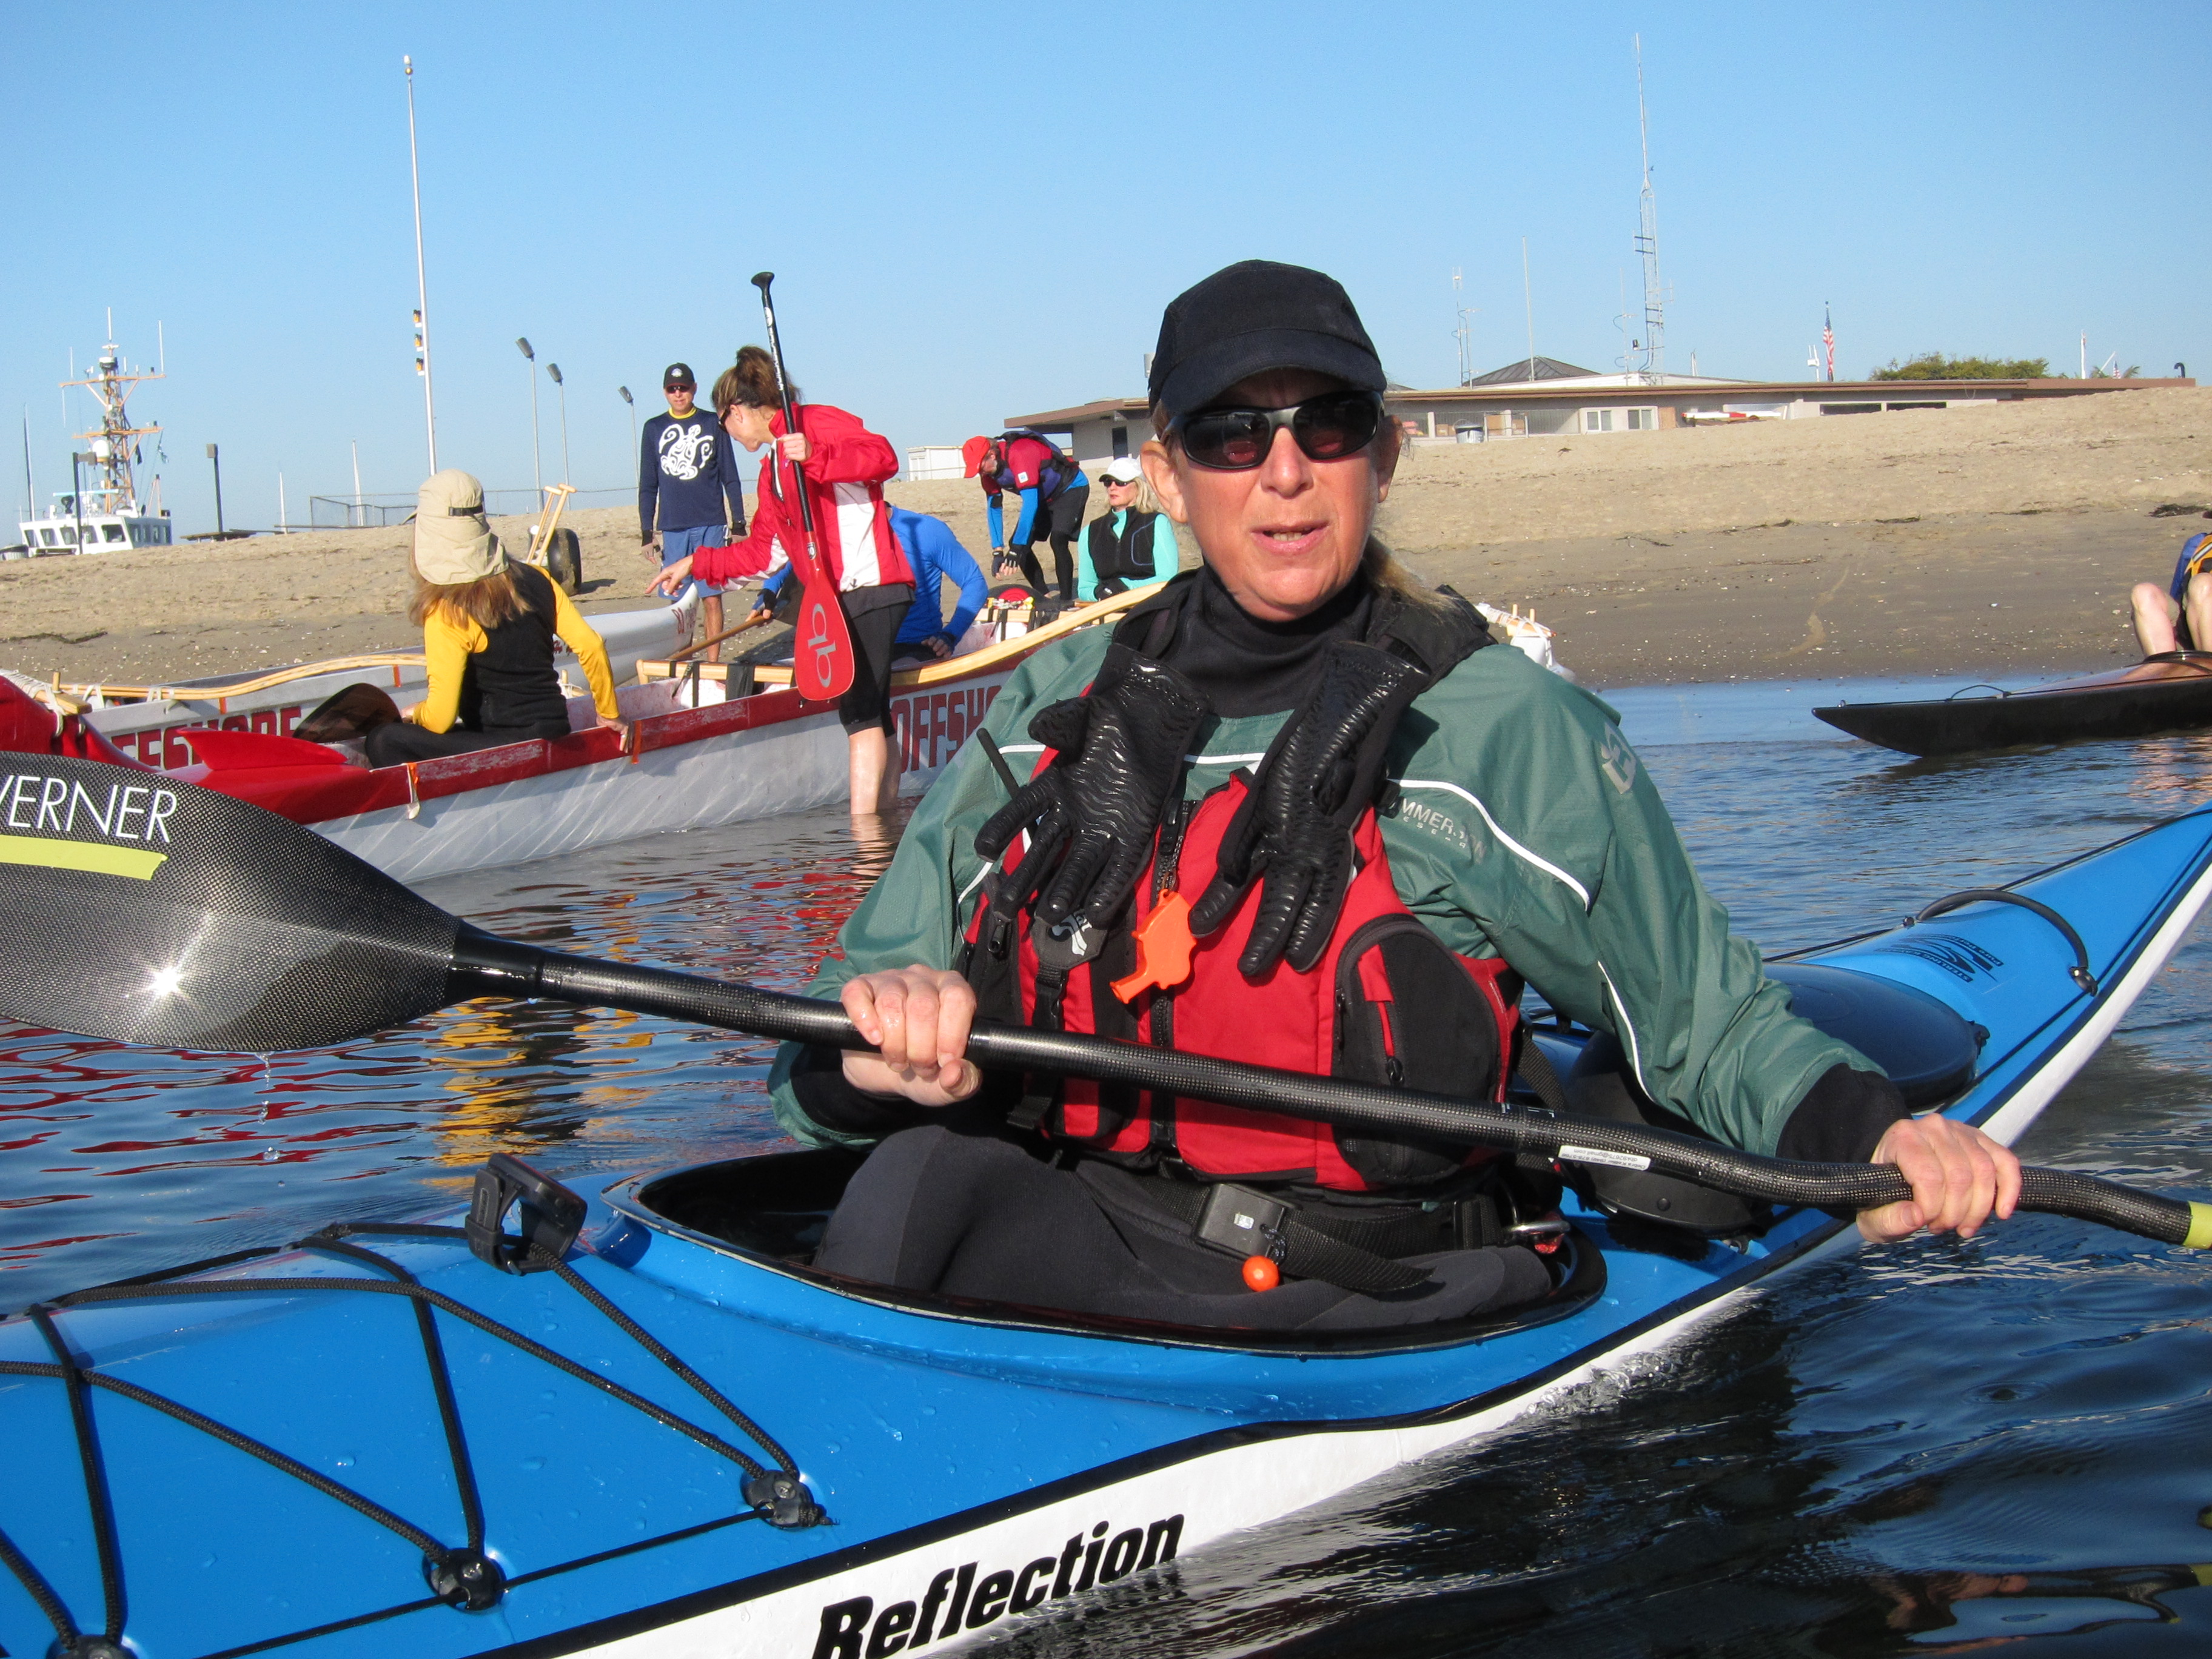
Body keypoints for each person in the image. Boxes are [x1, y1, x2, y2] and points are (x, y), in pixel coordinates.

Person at [756, 262, 2022, 1334]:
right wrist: (879, 1046)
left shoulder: (1499, 730)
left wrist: (1876, 1140)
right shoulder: (1054, 708)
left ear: (1384, 454)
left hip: (1364, 1295)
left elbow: (1704, 1022)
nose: (1284, 471)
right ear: (1169, 474)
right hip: (1094, 1243)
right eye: (1231, 435)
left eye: (1327, 425)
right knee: (911, 1180)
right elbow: (808, 1068)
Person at [652, 348, 913, 814]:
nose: (730, 435)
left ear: (735, 411)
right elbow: (763, 554)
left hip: (870, 585)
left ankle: (864, 838)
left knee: (860, 717)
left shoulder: (815, 423)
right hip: (839, 599)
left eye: (724, 425)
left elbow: (883, 458)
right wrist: (697, 563)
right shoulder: (771, 470)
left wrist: (816, 455)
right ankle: (887, 826)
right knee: (872, 715)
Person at [367, 470, 624, 767]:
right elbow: (591, 644)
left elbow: (441, 719)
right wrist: (609, 713)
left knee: (383, 739)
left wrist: (417, 713)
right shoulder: (539, 578)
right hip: (554, 730)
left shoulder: (446, 611)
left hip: (505, 746)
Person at [755, 505, 987, 665]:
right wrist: (768, 592)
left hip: (914, 647)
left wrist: (950, 635)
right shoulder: (837, 532)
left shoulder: (926, 531)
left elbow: (974, 582)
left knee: (881, 678)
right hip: (853, 646)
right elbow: (792, 559)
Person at [640, 363, 746, 663]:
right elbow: (647, 485)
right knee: (678, 605)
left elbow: (730, 476)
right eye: (672, 389)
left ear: (694, 389)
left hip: (711, 524)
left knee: (711, 598)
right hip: (673, 528)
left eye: (683, 388)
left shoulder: (713, 423)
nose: (678, 394)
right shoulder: (653, 428)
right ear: (665, 392)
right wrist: (647, 533)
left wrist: (739, 524)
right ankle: (682, 663)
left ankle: (713, 665)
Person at [962, 430, 1090, 600]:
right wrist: (998, 551)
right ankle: (1044, 597)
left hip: (1071, 488)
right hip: (1043, 497)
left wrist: (1017, 549)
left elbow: (1030, 503)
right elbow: (994, 508)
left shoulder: (1019, 453)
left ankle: (1066, 600)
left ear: (992, 455)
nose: (981, 473)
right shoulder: (988, 474)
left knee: (1058, 539)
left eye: (980, 467)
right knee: (1020, 547)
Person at [1073, 455, 1179, 601]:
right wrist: (1098, 593)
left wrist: (1126, 587)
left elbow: (1168, 579)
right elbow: (1085, 588)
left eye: (1120, 482)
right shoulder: (1090, 531)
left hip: (1149, 606)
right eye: (1108, 482)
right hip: (1107, 609)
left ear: (1138, 486)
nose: (1112, 487)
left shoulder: (1157, 523)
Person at [2130, 530, 2212, 655]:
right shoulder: (2198, 544)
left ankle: (2207, 663)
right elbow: (2177, 594)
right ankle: (2163, 665)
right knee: (2144, 593)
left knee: (2202, 583)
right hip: (2193, 628)